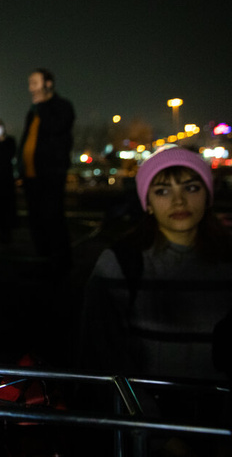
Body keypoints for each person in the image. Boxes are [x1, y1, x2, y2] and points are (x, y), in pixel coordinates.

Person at [81, 145, 232, 454]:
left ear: (208, 194)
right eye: (162, 190)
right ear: (146, 202)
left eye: (191, 187)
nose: (179, 201)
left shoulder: (227, 264)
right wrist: (159, 435)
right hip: (147, 432)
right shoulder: (121, 264)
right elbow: (104, 356)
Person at [17, 68, 75, 267]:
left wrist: (42, 106)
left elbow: (56, 128)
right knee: (36, 220)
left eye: (34, 83)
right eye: (29, 83)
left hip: (50, 174)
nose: (30, 88)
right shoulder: (34, 111)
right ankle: (43, 259)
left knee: (53, 217)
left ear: (48, 84)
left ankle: (59, 263)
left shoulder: (62, 107)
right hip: (31, 176)